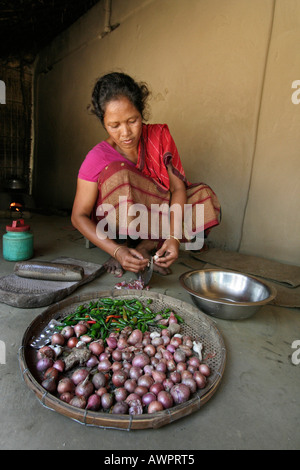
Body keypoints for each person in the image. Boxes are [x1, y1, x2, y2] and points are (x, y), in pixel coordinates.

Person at [71, 72, 220, 277]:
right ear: (103, 122)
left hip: (158, 214)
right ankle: (123, 249)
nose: (125, 133)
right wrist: (116, 250)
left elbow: (178, 188)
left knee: (203, 196)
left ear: (142, 113)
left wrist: (174, 237)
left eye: (133, 121)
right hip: (116, 227)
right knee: (119, 172)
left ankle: (146, 247)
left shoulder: (159, 137)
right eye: (114, 126)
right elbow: (78, 216)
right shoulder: (97, 157)